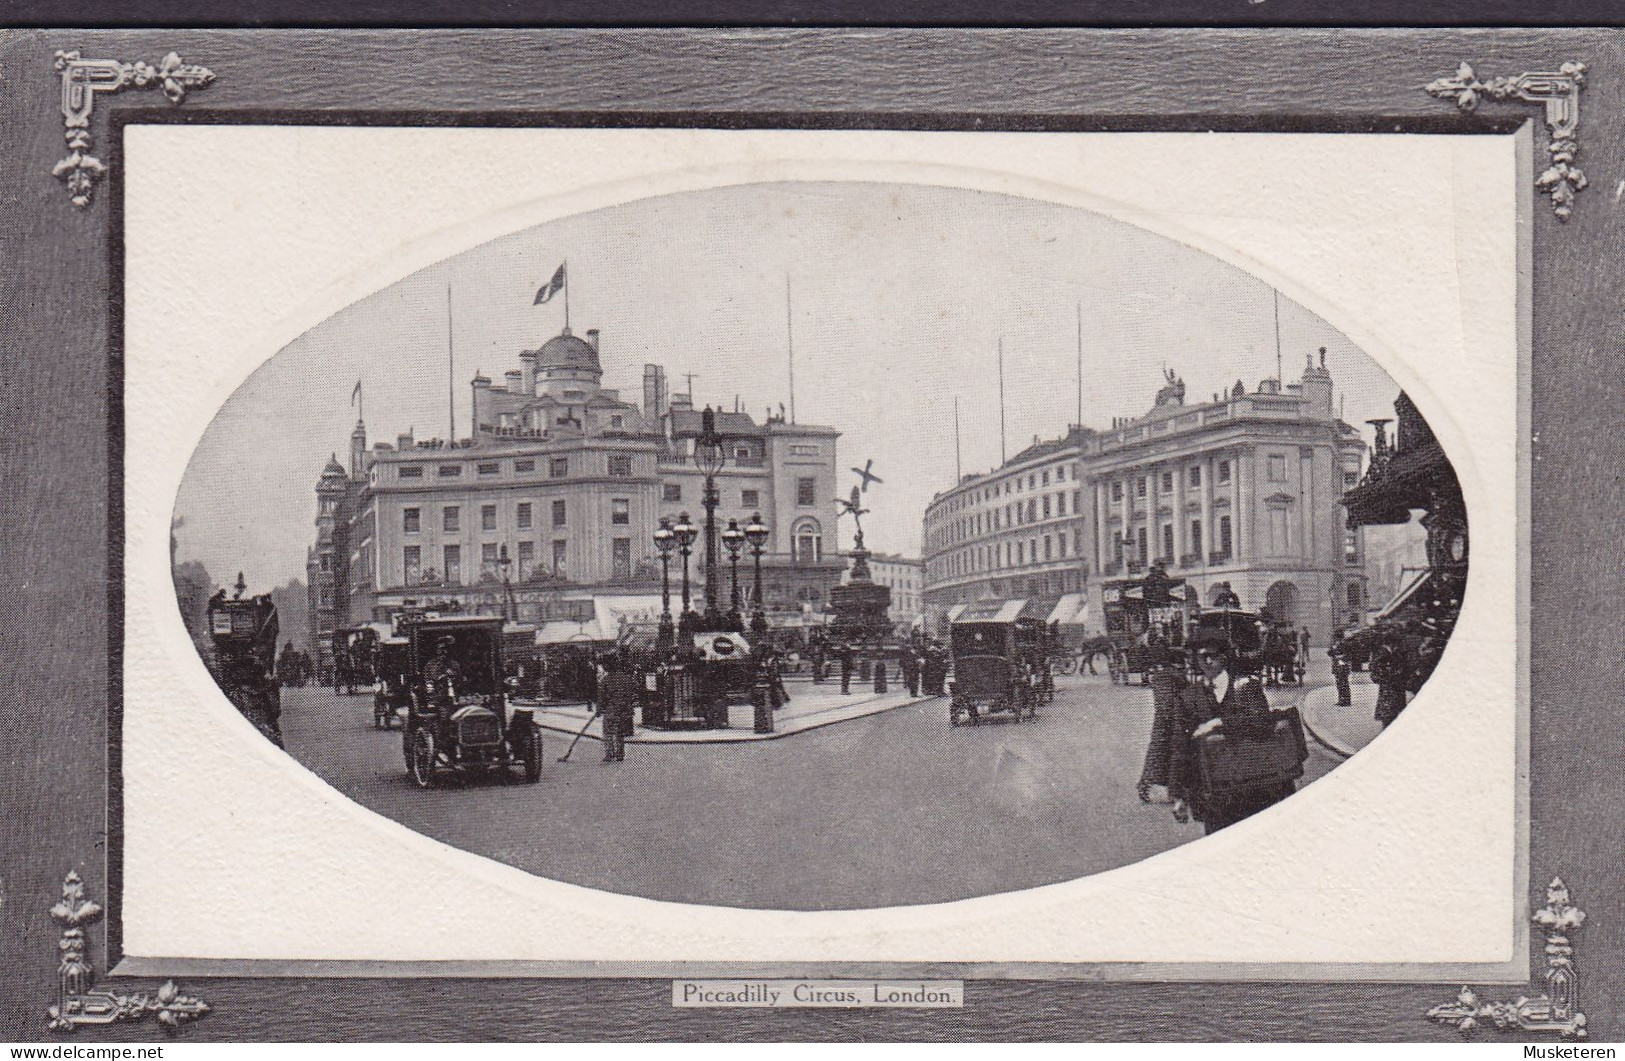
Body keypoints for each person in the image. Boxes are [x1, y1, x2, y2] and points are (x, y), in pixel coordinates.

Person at [1169, 645, 1299, 835]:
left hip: (1257, 788)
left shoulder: (1245, 686)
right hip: (1216, 795)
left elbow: (1262, 723)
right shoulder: (1188, 697)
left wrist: (1220, 723)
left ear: (1223, 657)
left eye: (1211, 655)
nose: (1206, 662)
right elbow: (1180, 747)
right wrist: (1178, 795)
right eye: (1201, 657)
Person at [1137, 629, 1186, 803]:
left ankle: (1148, 783)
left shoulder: (1159, 674)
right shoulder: (1167, 675)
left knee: (1159, 749)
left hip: (1165, 716)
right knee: (1166, 749)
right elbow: (1168, 701)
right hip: (1168, 716)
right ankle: (1157, 786)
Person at [597, 651, 638, 763]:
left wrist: (599, 709)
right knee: (619, 732)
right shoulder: (626, 678)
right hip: (624, 710)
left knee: (608, 731)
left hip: (612, 710)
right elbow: (633, 692)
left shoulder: (605, 680)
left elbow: (601, 697)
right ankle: (620, 754)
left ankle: (610, 754)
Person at [1370, 626, 1410, 728]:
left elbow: (1405, 666)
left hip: (1395, 684)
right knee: (1389, 708)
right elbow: (1376, 666)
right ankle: (1388, 724)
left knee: (1393, 707)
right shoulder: (1384, 652)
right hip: (1389, 683)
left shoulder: (1399, 651)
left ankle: (1391, 724)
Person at [422, 635, 461, 708]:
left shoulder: (454, 664)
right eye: (441, 649)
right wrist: (431, 698)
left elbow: (459, 680)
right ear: (437, 650)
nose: (444, 652)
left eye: (446, 649)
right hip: (436, 697)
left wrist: (453, 676)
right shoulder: (430, 665)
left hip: (453, 697)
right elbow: (428, 681)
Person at [1330, 643, 1353, 707]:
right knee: (1339, 684)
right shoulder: (1334, 644)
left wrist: (1340, 657)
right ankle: (1341, 699)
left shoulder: (1345, 643)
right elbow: (1330, 653)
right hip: (1337, 666)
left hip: (1343, 666)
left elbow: (1348, 654)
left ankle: (1345, 700)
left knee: (1343, 683)